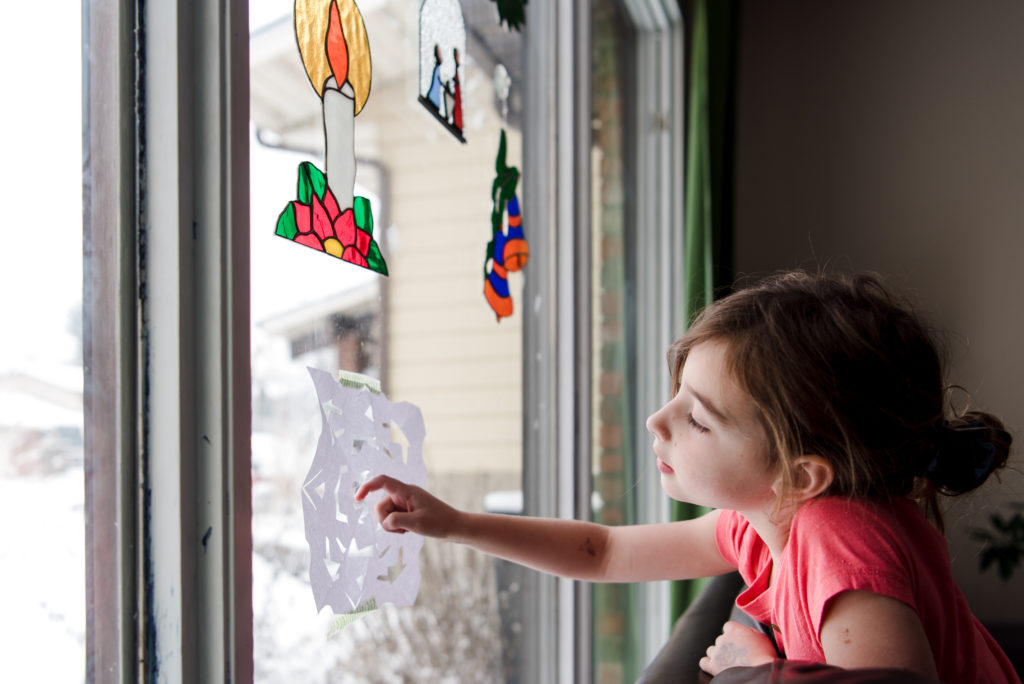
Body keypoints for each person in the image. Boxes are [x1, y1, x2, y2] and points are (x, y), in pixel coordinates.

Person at [355, 270, 1020, 682]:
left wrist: (759, 673)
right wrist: (454, 523)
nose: (656, 420)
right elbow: (606, 551)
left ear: (802, 473)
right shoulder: (766, 519)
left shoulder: (840, 543)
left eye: (699, 419)